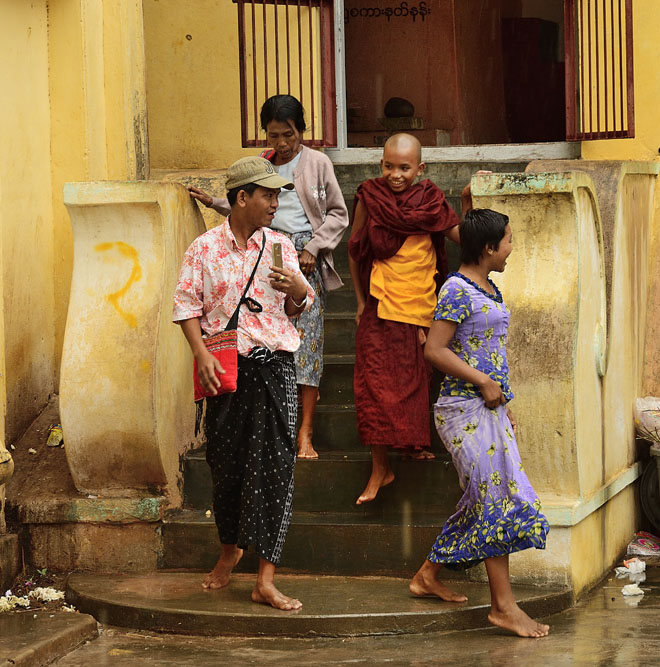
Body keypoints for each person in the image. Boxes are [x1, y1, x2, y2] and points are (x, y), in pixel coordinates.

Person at [174, 156, 315, 611]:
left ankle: (266, 578)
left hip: (275, 367)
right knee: (227, 466)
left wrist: (296, 286)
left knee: (275, 470)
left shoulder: (280, 246)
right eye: (268, 195)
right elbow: (187, 306)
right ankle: (229, 550)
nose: (275, 204)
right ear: (241, 198)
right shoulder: (204, 248)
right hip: (226, 368)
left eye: (277, 195)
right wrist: (200, 356)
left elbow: (297, 308)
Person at [409, 208, 550, 638]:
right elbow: (435, 349)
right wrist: (484, 382)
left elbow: (489, 348)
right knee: (494, 501)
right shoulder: (455, 289)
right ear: (489, 247)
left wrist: (501, 397)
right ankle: (503, 607)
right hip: (461, 410)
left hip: (489, 408)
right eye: (507, 241)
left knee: (483, 497)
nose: (511, 248)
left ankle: (426, 575)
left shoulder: (490, 289)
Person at [189, 94, 349, 460]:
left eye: (288, 135)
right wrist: (214, 202)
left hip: (303, 258)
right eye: (273, 135)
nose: (280, 143)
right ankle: (276, 426)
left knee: (306, 347)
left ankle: (304, 433)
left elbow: (338, 214)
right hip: (264, 251)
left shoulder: (318, 163)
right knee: (268, 337)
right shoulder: (262, 164)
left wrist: (315, 248)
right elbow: (247, 205)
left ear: (301, 132)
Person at [348, 133, 473, 504]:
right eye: (389, 166)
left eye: (404, 168)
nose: (396, 175)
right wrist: (358, 301)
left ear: (421, 169)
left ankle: (411, 445)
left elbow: (460, 238)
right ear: (380, 164)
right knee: (373, 385)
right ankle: (379, 468)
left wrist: (467, 202)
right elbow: (356, 250)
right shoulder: (370, 197)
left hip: (419, 306)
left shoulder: (430, 200)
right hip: (380, 303)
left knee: (414, 382)